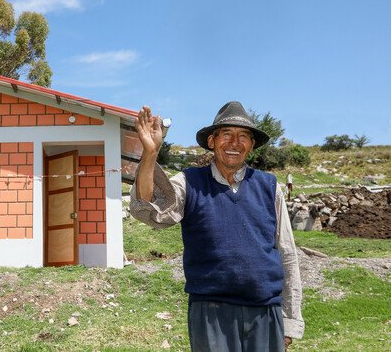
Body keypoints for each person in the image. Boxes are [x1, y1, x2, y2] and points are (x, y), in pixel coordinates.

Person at [129, 101, 304, 352]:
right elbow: (148, 211)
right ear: (212, 141)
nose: (235, 143)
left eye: (243, 136)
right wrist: (150, 153)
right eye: (227, 134)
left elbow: (287, 254)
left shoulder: (269, 187)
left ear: (252, 145)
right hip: (211, 313)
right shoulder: (190, 182)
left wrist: (290, 320)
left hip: (265, 311)